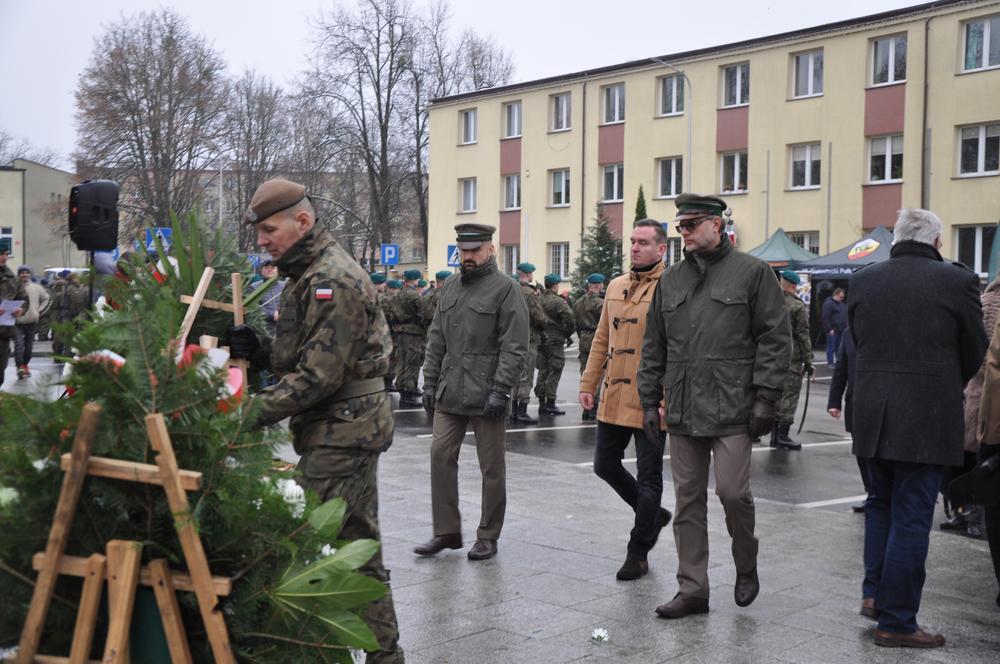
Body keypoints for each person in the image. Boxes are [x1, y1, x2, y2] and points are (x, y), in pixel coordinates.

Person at [226, 178, 403, 662]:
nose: (262, 241)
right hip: (340, 426)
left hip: (343, 429)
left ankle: (341, 651)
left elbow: (319, 376)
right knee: (355, 543)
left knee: (311, 544)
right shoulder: (310, 274)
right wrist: (259, 351)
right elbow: (310, 357)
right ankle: (384, 655)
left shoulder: (332, 279)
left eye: (268, 229)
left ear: (302, 221)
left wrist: (243, 416)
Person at [638, 193, 790, 619]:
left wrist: (766, 397)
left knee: (733, 492)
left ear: (716, 226)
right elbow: (654, 345)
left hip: (734, 406)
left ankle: (746, 565)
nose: (683, 233)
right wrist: (649, 400)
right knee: (687, 499)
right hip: (684, 405)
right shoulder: (671, 280)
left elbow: (775, 340)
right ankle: (693, 589)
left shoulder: (753, 273)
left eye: (691, 225)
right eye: (680, 226)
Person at [848, 208, 987, 648]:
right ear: (937, 242)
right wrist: (943, 384)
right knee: (910, 517)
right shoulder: (957, 281)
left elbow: (858, 343)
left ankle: (874, 595)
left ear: (897, 238)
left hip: (871, 414)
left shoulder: (864, 280)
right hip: (926, 418)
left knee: (879, 505)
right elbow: (975, 352)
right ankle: (898, 621)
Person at [415, 223, 529, 561]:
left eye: (474, 251)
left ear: (490, 250)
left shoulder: (506, 290)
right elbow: (436, 339)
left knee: (491, 468)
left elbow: (515, 345)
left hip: (487, 393)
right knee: (439, 455)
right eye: (463, 251)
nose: (467, 257)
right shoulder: (449, 287)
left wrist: (501, 390)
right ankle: (446, 531)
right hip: (450, 391)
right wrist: (430, 382)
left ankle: (488, 535)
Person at [580, 219, 673, 581]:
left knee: (650, 477)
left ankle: (638, 551)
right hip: (615, 393)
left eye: (644, 242)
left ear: (662, 249)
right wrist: (589, 383)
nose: (635, 247)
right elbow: (602, 339)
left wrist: (666, 398)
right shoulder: (617, 286)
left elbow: (675, 348)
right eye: (633, 241)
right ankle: (654, 515)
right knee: (605, 464)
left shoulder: (670, 286)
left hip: (652, 399)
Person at [827, 328, 869, 513]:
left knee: (876, 453)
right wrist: (834, 401)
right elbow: (841, 367)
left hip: (881, 403)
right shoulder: (848, 333)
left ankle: (882, 494)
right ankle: (871, 492)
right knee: (861, 451)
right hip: (855, 400)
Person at [772, 269, 813, 450]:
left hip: (771, 357)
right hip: (791, 358)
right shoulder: (797, 306)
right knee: (789, 396)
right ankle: (782, 436)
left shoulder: (771, 303)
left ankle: (773, 434)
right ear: (795, 285)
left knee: (773, 395)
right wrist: (809, 361)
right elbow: (803, 335)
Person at [511, 263, 552, 425]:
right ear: (528, 275)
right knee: (526, 376)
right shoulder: (529, 293)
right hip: (528, 338)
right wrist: (546, 323)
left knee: (514, 375)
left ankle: (513, 409)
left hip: (513, 338)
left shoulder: (511, 289)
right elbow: (539, 317)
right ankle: (521, 411)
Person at [534, 274, 575, 415]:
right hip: (555, 339)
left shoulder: (538, 299)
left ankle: (541, 403)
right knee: (556, 369)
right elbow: (570, 319)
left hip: (540, 339)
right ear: (555, 286)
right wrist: (567, 334)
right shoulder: (558, 301)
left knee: (543, 370)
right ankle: (550, 402)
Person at [389, 269, 429, 408]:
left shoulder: (397, 295)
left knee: (402, 362)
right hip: (414, 333)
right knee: (412, 363)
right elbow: (425, 314)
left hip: (400, 332)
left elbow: (391, 314)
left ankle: (401, 388)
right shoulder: (415, 296)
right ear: (415, 280)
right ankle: (409, 393)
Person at [574, 273, 605, 420]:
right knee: (597, 375)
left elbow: (576, 324)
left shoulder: (579, 302)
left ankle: (585, 408)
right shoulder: (600, 303)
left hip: (584, 339)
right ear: (598, 285)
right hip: (596, 338)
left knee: (585, 373)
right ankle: (593, 407)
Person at [14, 265, 50, 379]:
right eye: (22, 273)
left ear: (30, 274)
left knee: (29, 347)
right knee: (18, 345)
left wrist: (38, 311)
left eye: (26, 273)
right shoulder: (13, 287)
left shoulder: (37, 288)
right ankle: (19, 366)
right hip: (17, 322)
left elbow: (47, 299)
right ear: (19, 275)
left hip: (31, 322)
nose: (24, 275)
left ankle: (25, 364)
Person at [0, 250, 27, 385]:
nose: (3, 257)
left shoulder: (13, 279)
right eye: (0, 254)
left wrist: (20, 310)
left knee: (0, 369)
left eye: (5, 254)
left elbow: (23, 298)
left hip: (4, 330)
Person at [251, 260, 285, 337]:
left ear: (277, 270)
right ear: (261, 271)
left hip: (284, 329)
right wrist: (273, 314)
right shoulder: (254, 287)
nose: (269, 270)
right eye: (266, 267)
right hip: (264, 330)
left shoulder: (284, 286)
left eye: (272, 267)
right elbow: (254, 309)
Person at [821, 288, 847, 366]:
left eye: (843, 297)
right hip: (833, 330)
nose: (842, 298)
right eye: (841, 297)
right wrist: (829, 329)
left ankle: (838, 362)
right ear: (835, 295)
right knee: (831, 347)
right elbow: (825, 317)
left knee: (839, 348)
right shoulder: (828, 304)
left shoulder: (842, 304)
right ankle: (830, 362)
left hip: (841, 329)